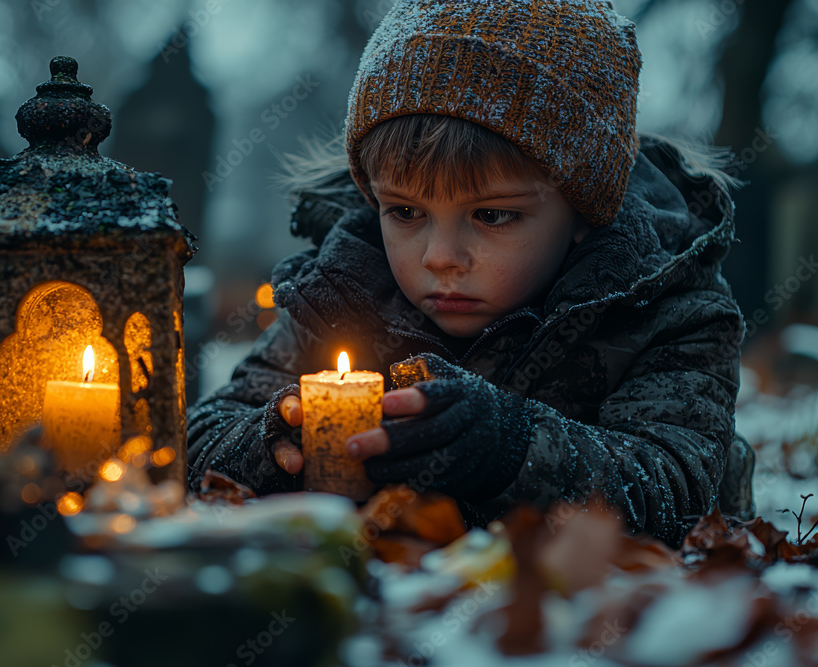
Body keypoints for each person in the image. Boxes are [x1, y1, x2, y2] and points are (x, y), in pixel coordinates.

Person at [186, 0, 756, 548]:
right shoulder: (342, 293)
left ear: (583, 210)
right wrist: (276, 441)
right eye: (405, 212)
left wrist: (508, 448)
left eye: (491, 215)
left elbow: (673, 490)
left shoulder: (669, 310)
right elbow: (200, 439)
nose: (439, 256)